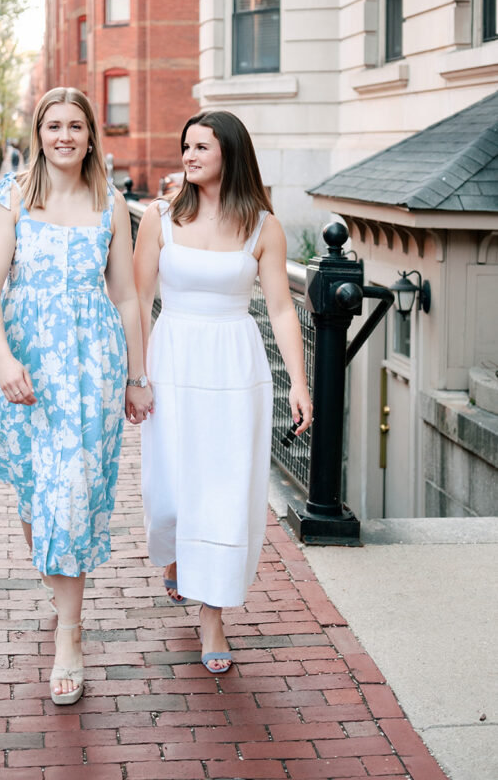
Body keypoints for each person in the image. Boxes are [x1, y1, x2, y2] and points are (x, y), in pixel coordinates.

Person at [0, 87, 153, 706]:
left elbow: (126, 296)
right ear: (40, 132)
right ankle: (60, 588)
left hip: (92, 369)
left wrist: (136, 374)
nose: (64, 136)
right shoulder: (15, 197)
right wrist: (3, 359)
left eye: (76, 125)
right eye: (54, 126)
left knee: (69, 490)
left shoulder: (112, 204)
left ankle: (68, 638)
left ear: (91, 133)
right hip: (26, 367)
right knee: (35, 493)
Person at [134, 110, 312, 674]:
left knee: (224, 492)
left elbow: (282, 308)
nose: (188, 155)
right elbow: (138, 301)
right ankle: (176, 558)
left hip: (236, 364)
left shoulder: (264, 226)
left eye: (202, 147)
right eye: (185, 145)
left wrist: (300, 386)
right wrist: (136, 375)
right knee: (168, 492)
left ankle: (213, 618)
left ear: (230, 154)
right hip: (172, 358)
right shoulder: (157, 217)